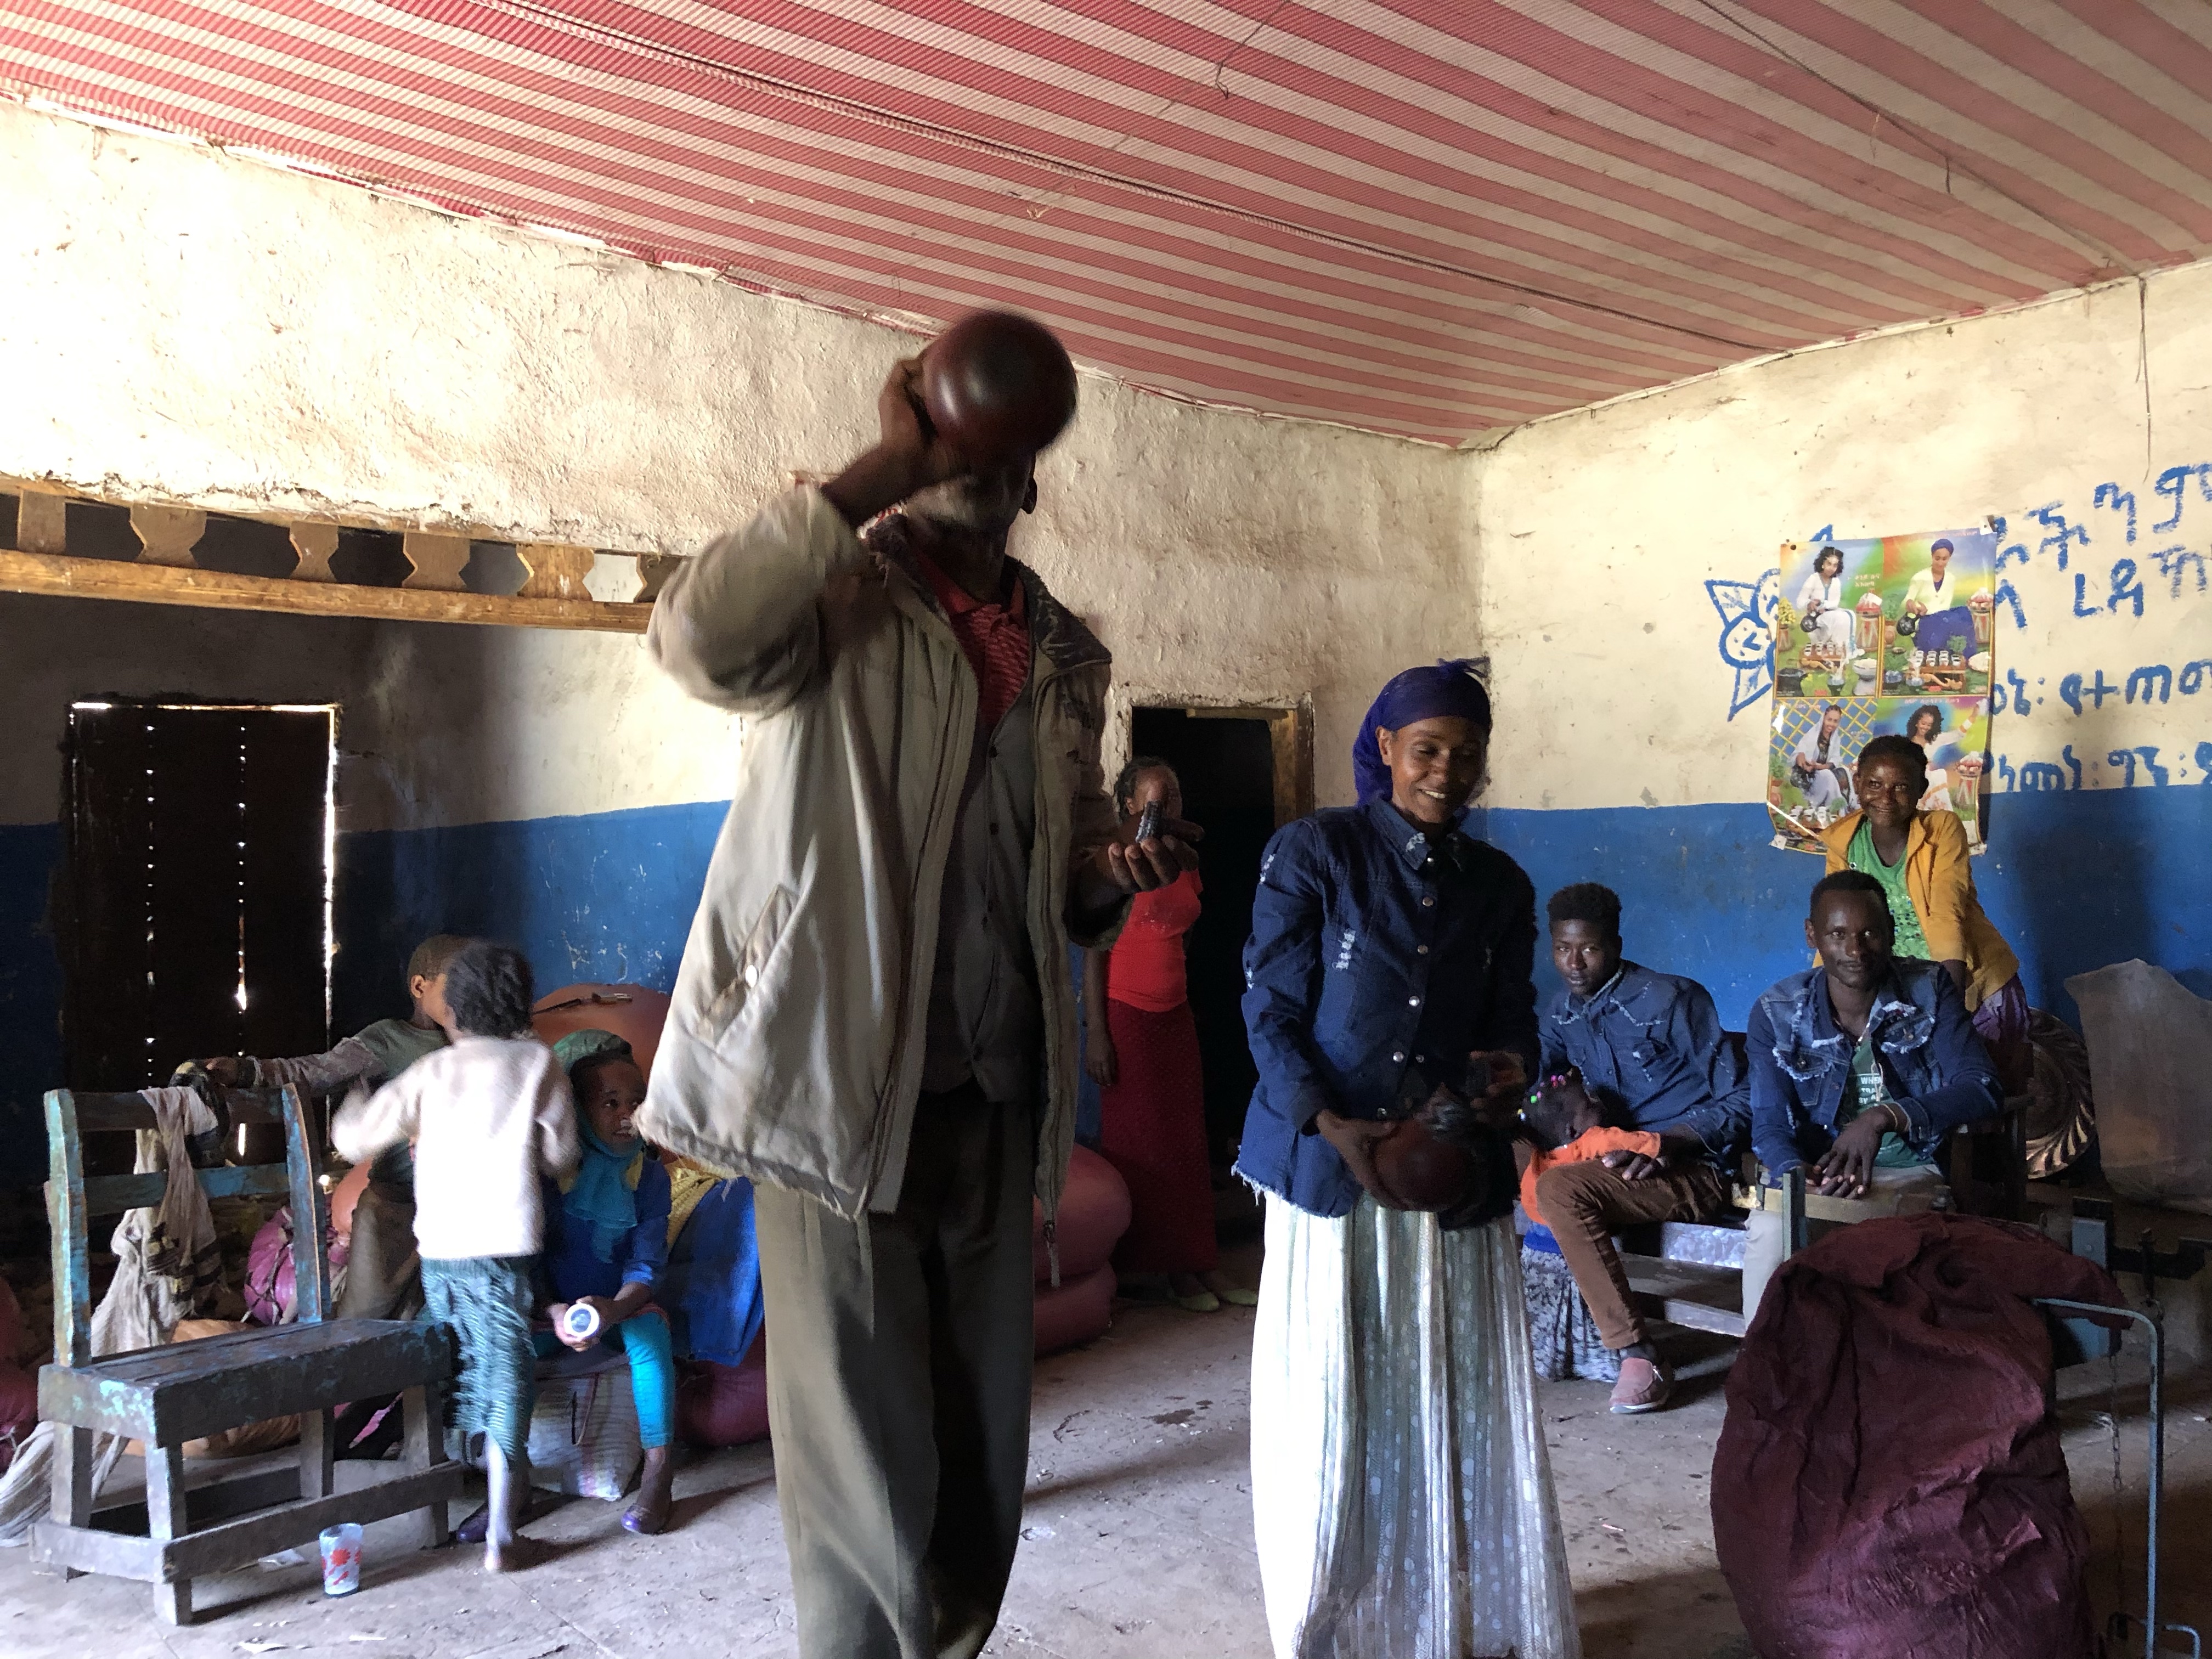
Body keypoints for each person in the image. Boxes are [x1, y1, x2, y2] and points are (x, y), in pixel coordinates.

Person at [639, 354, 1196, 1659]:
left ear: (1029, 478)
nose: (975, 475)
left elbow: (1061, 871)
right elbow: (693, 638)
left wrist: (1110, 874)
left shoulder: (1065, 654)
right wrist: (877, 469)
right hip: (830, 1085)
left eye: (997, 456)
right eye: (948, 446)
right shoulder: (835, 597)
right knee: (857, 1462)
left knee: (976, 1447)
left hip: (995, 1087)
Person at [1235, 661, 1579, 1659]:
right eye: (1427, 749)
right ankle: (1335, 1620)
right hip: (1327, 1167)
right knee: (1339, 1397)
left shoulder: (1499, 883)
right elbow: (1268, 1008)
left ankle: (1446, 1615)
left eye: (1465, 755)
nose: (1446, 770)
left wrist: (1501, 1078)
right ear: (1384, 747)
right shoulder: (1315, 852)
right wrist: (1331, 1122)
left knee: (1445, 1391)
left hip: (1444, 1168)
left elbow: (1512, 1017)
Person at [332, 941, 577, 1572]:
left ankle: (442, 1496)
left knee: (454, 1371)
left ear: (455, 1011)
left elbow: (356, 1138)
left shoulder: (432, 1073)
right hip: (504, 1256)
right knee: (506, 1380)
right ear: (518, 1006)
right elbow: (561, 1159)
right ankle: (502, 1533)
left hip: (440, 1254)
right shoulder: (536, 1063)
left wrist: (354, 1104)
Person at [1740, 872, 2005, 1319]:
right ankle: (1765, 1374)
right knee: (1769, 1231)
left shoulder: (1929, 989)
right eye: (1838, 935)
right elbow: (1767, 1120)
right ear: (1813, 935)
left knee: (1890, 1269)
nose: (1856, 950)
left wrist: (1884, 1116)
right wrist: (1794, 1172)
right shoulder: (1778, 1011)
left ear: (1891, 933)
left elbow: (1982, 1087)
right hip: (1819, 1177)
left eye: (1870, 934)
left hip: (1911, 1173)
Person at [1528, 883, 1750, 1414]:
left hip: (1691, 1168)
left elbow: (1744, 1098)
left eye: (1589, 949)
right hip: (1613, 1165)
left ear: (1617, 945)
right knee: (1534, 1173)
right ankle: (1559, 1338)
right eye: (1562, 949)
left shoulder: (1671, 1000)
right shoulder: (1560, 1015)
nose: (1574, 963)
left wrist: (1665, 1143)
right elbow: (1543, 1092)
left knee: (1560, 1191)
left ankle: (1638, 1354)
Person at [203, 933, 471, 1323]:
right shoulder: (388, 1039)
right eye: (458, 983)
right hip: (395, 1206)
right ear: (419, 986)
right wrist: (249, 1071)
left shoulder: (477, 1046)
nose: (470, 995)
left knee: (439, 1319)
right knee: (364, 1321)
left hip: (458, 1208)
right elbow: (314, 1071)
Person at [1082, 757, 1249, 1312]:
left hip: (1176, 1011)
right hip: (1127, 1014)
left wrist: (1186, 997)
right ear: (1129, 804)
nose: (1164, 809)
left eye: (1172, 798)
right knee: (1147, 1147)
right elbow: (1094, 951)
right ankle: (1168, 1273)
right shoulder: (1114, 860)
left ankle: (1202, 1265)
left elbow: (1186, 934)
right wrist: (1098, 1036)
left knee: (1187, 1145)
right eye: (1153, 800)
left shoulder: (1184, 862)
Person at [1815, 736, 2030, 1092]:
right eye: (1874, 784)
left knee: (1986, 1106)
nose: (1886, 797)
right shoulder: (1844, 843)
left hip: (1968, 983)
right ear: (1857, 784)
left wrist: (1949, 1012)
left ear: (1921, 789)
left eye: (1901, 786)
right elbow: (1836, 929)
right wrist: (1822, 1002)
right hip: (1900, 996)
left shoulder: (1942, 830)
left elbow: (1946, 916)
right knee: (1915, 1110)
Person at [535, 1029, 678, 1535]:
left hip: (614, 1309)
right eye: (610, 1102)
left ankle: (659, 1470)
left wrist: (613, 1310)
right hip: (547, 1314)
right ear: (576, 1109)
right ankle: (510, 1483)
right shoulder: (547, 1175)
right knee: (501, 1344)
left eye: (637, 1103)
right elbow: (523, 1262)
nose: (627, 1116)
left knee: (651, 1336)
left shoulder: (649, 1177)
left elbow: (646, 1267)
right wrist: (552, 1313)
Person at [1901, 537, 1976, 657]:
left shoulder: (1951, 579)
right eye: (1937, 558)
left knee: (1964, 613)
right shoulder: (1919, 578)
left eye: (1944, 559)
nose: (1940, 563)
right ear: (1932, 556)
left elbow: (1945, 605)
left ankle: (1965, 657)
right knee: (1945, 621)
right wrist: (1913, 606)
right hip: (1925, 620)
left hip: (1943, 619)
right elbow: (1907, 601)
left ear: (1949, 558)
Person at [1790, 702, 1855, 812]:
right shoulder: (1813, 736)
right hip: (1808, 776)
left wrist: (1820, 767)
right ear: (1824, 718)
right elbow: (1800, 754)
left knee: (1845, 771)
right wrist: (1802, 760)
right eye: (1829, 720)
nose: (1832, 724)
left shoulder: (1835, 739)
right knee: (1827, 775)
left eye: (1835, 721)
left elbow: (1835, 761)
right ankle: (1834, 809)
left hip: (1822, 770)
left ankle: (1848, 805)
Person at [1795, 545, 1854, 658]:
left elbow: (1835, 603)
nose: (1832, 568)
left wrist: (1823, 604)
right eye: (1829, 564)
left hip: (1830, 615)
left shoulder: (1836, 582)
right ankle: (1835, 647)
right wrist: (1809, 603)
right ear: (1822, 563)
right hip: (1815, 619)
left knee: (1849, 615)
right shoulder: (1814, 578)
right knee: (1840, 617)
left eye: (1835, 565)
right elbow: (1800, 601)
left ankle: (1841, 647)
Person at [1904, 702, 1955, 814]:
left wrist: (1974, 715)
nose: (1926, 727)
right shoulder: (1907, 743)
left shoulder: (1934, 740)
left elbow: (1958, 735)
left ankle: (1942, 813)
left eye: (1929, 725)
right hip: (1912, 777)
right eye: (1923, 723)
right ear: (1917, 723)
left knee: (1939, 775)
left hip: (1927, 776)